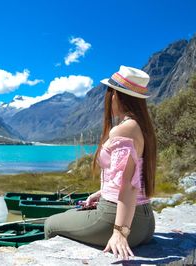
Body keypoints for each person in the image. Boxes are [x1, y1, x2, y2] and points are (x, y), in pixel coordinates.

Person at [44, 65, 157, 261]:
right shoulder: (142, 126)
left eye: (109, 92)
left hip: (118, 219)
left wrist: (120, 233)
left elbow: (128, 187)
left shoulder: (123, 130)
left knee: (51, 223)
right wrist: (100, 193)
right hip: (146, 221)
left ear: (115, 95)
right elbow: (132, 178)